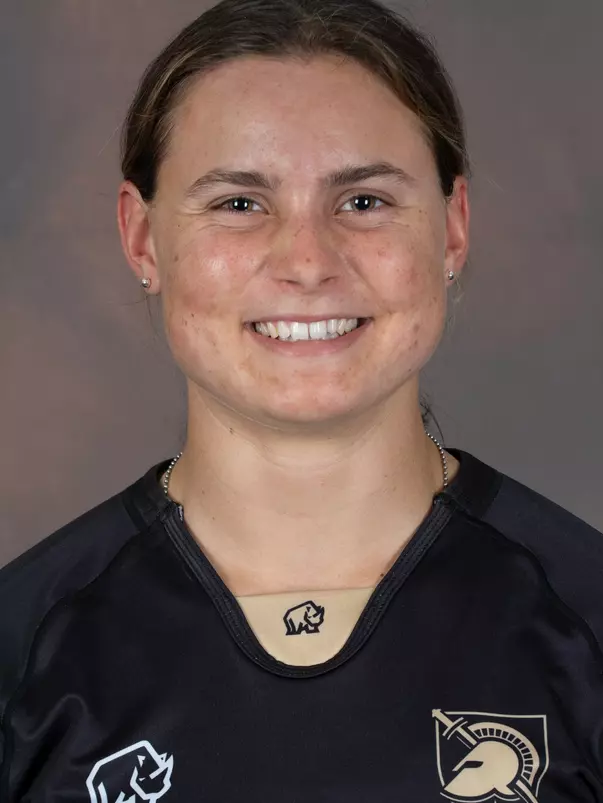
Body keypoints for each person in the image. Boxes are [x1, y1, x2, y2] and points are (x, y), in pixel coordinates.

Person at [1, 0, 602, 799]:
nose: (307, 260)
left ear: (452, 229)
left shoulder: (583, 624)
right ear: (142, 239)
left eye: (363, 200)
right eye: (238, 204)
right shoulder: (24, 650)